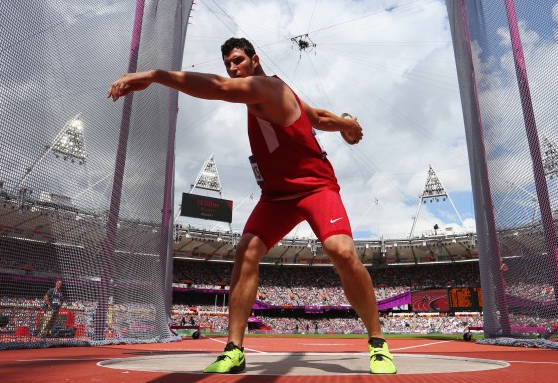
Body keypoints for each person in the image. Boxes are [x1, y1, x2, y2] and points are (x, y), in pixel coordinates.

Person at [108, 37, 396, 375]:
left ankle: (377, 340)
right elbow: (316, 115)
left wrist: (155, 75)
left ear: (255, 60)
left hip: (315, 188)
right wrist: (347, 124)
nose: (232, 69)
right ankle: (235, 349)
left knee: (342, 251)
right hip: (276, 196)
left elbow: (216, 88)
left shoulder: (267, 89)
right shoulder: (272, 96)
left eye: (238, 60)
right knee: (246, 250)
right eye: (228, 64)